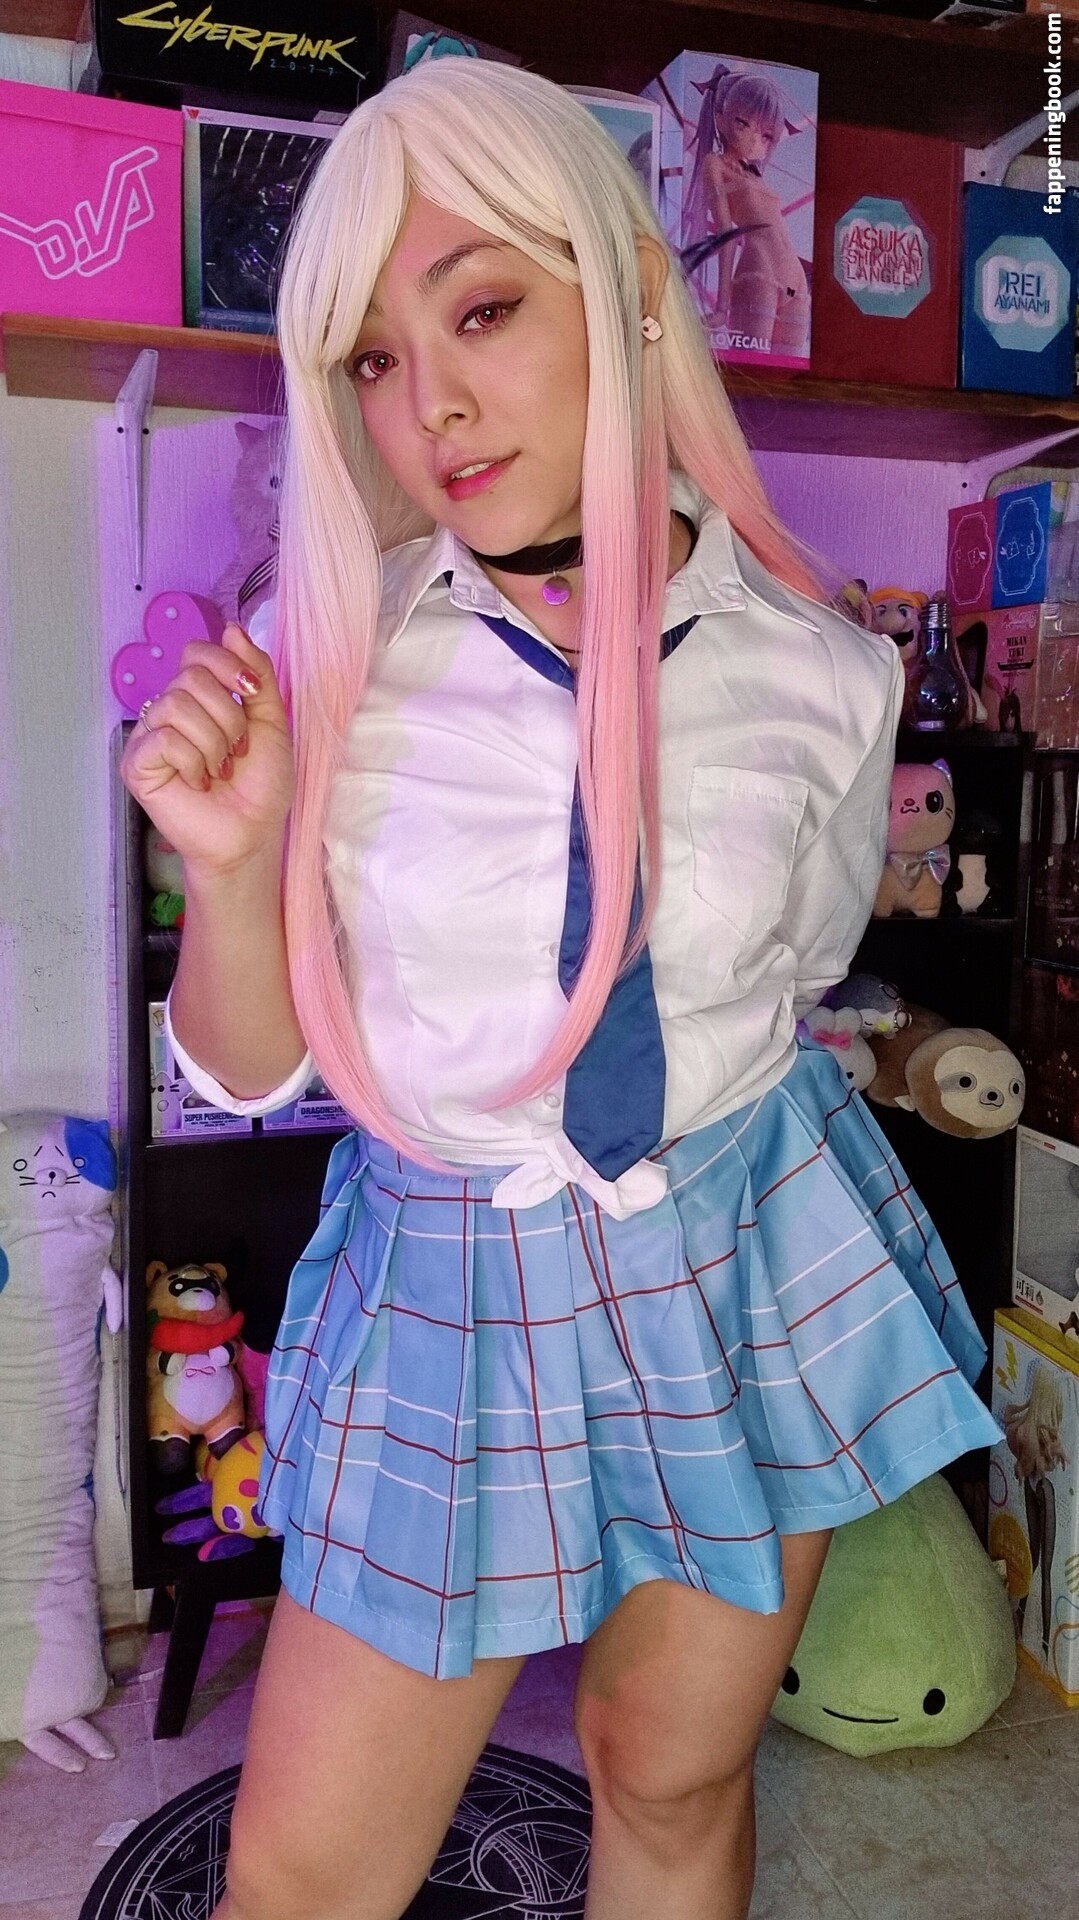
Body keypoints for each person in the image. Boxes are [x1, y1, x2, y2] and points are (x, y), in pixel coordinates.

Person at [120, 59, 1002, 1920]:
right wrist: (232, 865)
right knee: (303, 1877)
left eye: (483, 311)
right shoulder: (323, 659)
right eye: (371, 356)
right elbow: (243, 1067)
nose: (427, 404)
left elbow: (789, 976)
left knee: (670, 1778)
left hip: (734, 1246)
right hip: (450, 1284)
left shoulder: (826, 676)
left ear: (627, 290)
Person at [680, 65, 811, 358]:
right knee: (755, 367)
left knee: (788, 371)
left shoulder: (754, 175)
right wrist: (722, 308)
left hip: (796, 281)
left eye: (766, 135)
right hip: (759, 272)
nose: (754, 140)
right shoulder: (715, 164)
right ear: (720, 119)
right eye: (743, 124)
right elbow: (726, 235)